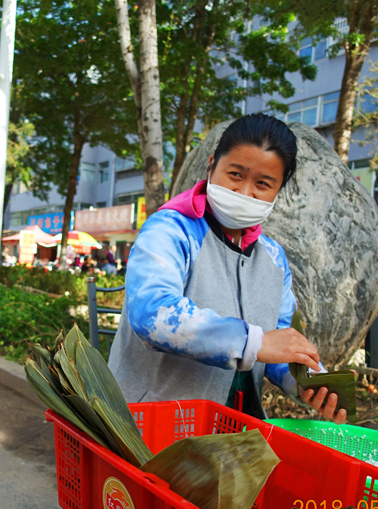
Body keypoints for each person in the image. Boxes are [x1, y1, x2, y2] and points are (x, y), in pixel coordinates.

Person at [108, 114, 346, 424]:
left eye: (263, 183)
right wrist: (255, 342)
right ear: (212, 165)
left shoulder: (273, 258)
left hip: (231, 432)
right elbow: (153, 315)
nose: (244, 192)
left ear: (278, 190)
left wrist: (304, 381)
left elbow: (276, 347)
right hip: (149, 427)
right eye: (235, 174)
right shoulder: (170, 230)